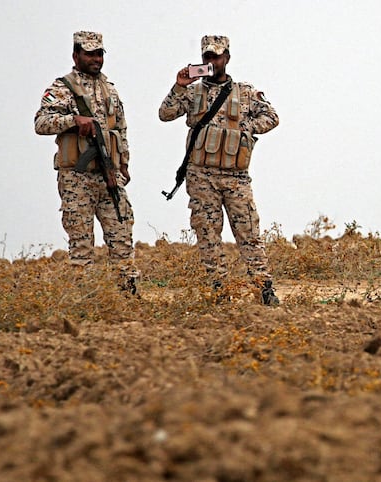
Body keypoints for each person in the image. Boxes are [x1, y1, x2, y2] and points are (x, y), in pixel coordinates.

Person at [159, 35, 280, 305]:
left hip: (236, 178)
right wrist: (179, 86)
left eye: (217, 56)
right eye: (207, 58)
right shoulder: (191, 92)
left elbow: (272, 117)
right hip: (201, 176)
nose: (212, 62)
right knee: (208, 234)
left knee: (248, 233)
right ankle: (219, 289)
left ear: (227, 57)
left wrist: (244, 129)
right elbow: (165, 114)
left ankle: (264, 288)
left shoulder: (245, 92)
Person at [34, 31, 139, 294]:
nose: (95, 59)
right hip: (77, 179)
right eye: (89, 54)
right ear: (76, 55)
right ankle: (87, 300)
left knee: (122, 237)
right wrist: (72, 121)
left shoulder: (109, 89)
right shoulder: (62, 88)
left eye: (99, 54)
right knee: (81, 245)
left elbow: (120, 128)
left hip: (108, 176)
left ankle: (128, 296)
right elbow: (41, 123)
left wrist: (123, 163)